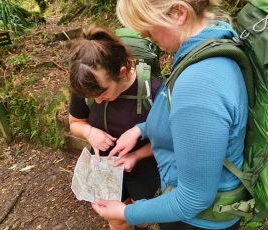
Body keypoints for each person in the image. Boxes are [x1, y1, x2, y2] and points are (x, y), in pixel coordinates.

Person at [91, 1, 248, 230]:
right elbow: (188, 120)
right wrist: (140, 129)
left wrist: (126, 212)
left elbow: (192, 199)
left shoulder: (198, 85)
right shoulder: (210, 42)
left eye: (147, 25)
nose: (143, 34)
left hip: (199, 221)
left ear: (178, 13)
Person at [68, 25, 162, 230]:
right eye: (93, 98)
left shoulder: (153, 90)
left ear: (123, 71)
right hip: (105, 170)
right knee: (116, 220)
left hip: (143, 170)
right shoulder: (87, 86)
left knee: (139, 217)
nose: (99, 102)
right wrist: (89, 132)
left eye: (103, 93)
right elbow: (75, 123)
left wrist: (137, 155)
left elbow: (167, 138)